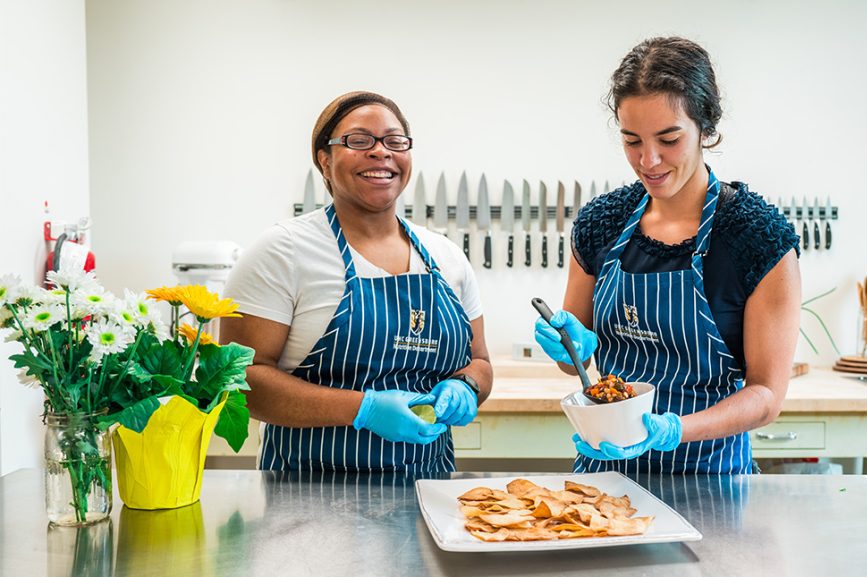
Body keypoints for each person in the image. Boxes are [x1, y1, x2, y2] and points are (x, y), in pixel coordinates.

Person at [534, 37, 801, 475]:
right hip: (607, 481)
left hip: (714, 482)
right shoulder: (601, 223)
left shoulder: (757, 237)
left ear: (706, 128)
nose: (649, 160)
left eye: (669, 139)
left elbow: (766, 397)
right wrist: (570, 349)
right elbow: (574, 366)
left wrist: (672, 430)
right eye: (631, 140)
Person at [221, 91, 492, 473]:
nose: (381, 152)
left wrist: (467, 386)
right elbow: (242, 381)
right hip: (306, 506)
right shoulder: (284, 250)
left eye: (395, 141)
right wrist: (362, 409)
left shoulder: (447, 257)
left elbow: (479, 361)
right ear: (325, 160)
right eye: (359, 140)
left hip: (428, 497)